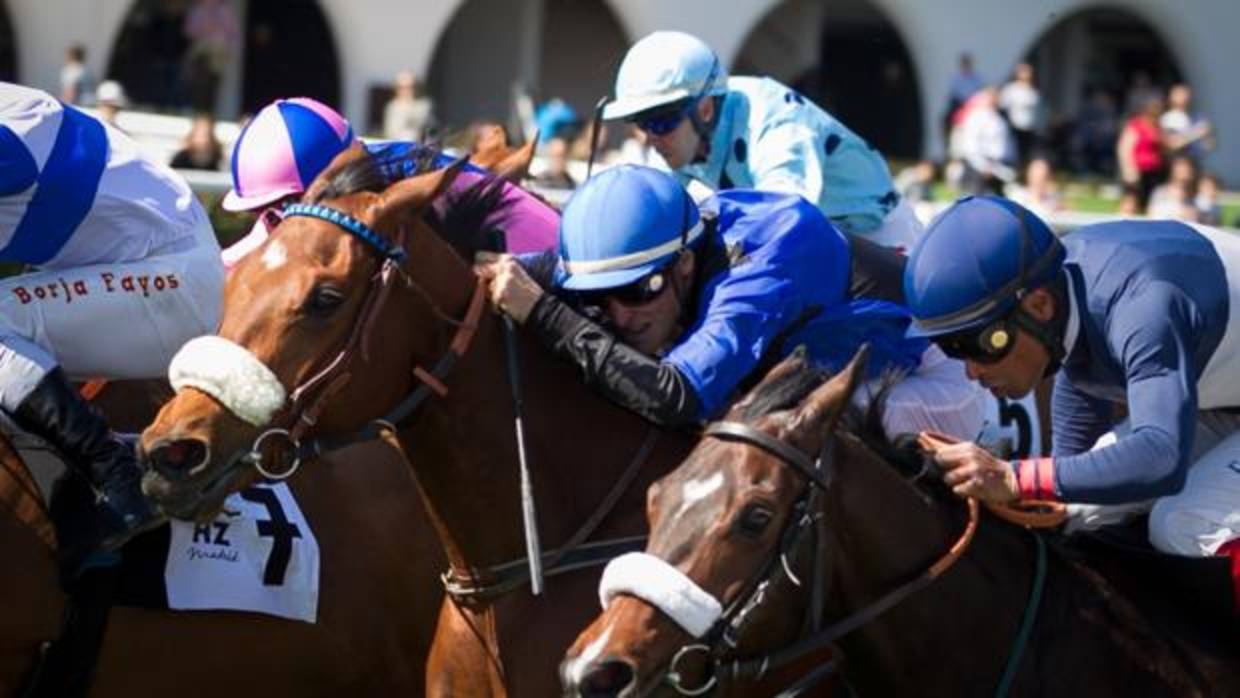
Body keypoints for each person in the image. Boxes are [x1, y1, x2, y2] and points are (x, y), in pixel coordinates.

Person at [475, 165, 986, 440]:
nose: (621, 314)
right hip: (816, 365)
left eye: (637, 290)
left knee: (764, 435)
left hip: (933, 374)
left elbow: (675, 398)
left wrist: (545, 314)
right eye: (597, 298)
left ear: (684, 266)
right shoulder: (660, 246)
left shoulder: (755, 276)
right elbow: (512, 274)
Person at [903, 196, 1240, 597]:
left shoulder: (1143, 308)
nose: (972, 371)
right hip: (1225, 400)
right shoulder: (1065, 292)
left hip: (1213, 405)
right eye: (951, 349)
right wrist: (1045, 493)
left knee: (1185, 521)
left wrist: (1015, 477)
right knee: (1079, 512)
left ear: (1039, 305)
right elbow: (1079, 423)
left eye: (979, 343)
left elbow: (1161, 456)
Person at [0, 82, 225, 566]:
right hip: (133, 272)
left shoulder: (10, 125)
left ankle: (116, 475)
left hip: (172, 281)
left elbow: (13, 162)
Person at [600, 31, 921, 251]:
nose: (651, 136)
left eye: (661, 120)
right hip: (823, 239)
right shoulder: (673, 139)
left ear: (705, 108)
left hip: (879, 234)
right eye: (641, 123)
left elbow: (785, 216)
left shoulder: (775, 121)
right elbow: (652, 211)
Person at [221, 97, 557, 268]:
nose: (266, 223)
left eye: (274, 212)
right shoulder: (365, 166)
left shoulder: (393, 186)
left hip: (558, 271)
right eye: (259, 213)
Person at [953, 87, 1015, 196]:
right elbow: (970, 146)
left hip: (998, 168)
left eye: (996, 97)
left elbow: (1007, 145)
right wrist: (983, 166)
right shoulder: (976, 117)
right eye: (991, 97)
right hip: (978, 168)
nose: (994, 100)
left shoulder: (1000, 118)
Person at [182, 0, 240, 113]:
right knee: (198, 83)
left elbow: (233, 33)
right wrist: (204, 28)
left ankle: (207, 113)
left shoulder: (225, 11)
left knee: (212, 85)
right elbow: (188, 31)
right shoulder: (198, 10)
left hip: (218, 52)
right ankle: (197, 110)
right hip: (201, 51)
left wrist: (230, 52)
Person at [1116, 96, 1166, 212]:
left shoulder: (1157, 128)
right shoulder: (1136, 125)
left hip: (1154, 172)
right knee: (1131, 202)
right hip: (1137, 171)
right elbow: (1124, 148)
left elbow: (1168, 146)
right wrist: (1129, 169)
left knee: (1149, 204)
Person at [997, 63, 1041, 167]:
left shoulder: (1033, 89)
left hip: (1030, 128)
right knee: (1016, 154)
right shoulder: (1011, 89)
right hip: (1015, 128)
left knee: (1029, 154)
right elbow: (1003, 107)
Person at [1160, 83, 1215, 164]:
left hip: (1198, 162)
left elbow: (1210, 145)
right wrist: (1197, 132)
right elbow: (1172, 144)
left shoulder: (1198, 117)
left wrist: (1208, 137)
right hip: (1179, 164)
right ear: (1171, 97)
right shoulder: (1167, 119)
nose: (1184, 96)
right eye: (1179, 94)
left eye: (1185, 93)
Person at [382, 70, 435, 142]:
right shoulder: (392, 106)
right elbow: (389, 131)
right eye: (401, 87)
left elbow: (420, 126)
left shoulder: (423, 105)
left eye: (409, 87)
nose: (405, 91)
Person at [1146, 155, 1199, 221]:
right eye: (1182, 170)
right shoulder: (1161, 192)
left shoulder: (1194, 197)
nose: (1185, 173)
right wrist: (1179, 212)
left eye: (1188, 170)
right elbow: (1152, 217)